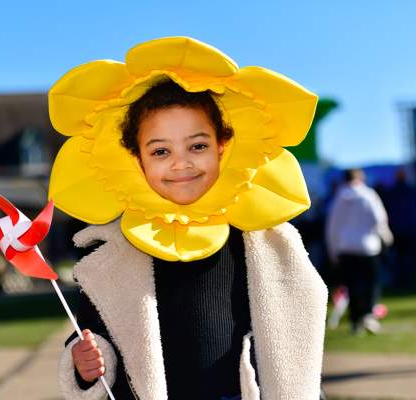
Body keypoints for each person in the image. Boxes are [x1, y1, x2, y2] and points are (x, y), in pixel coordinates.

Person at [48, 37, 328, 399]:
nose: (181, 163)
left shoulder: (264, 241)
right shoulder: (114, 253)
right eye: (161, 151)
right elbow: (92, 332)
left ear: (222, 146)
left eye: (197, 146)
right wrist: (83, 361)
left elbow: (297, 344)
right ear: (137, 160)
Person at [326, 169, 393, 335]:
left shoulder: (339, 198)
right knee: (372, 283)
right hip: (368, 247)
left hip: (346, 249)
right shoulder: (369, 195)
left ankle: (355, 321)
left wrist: (333, 250)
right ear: (361, 178)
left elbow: (332, 228)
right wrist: (386, 237)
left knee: (352, 285)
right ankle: (368, 314)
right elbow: (379, 220)